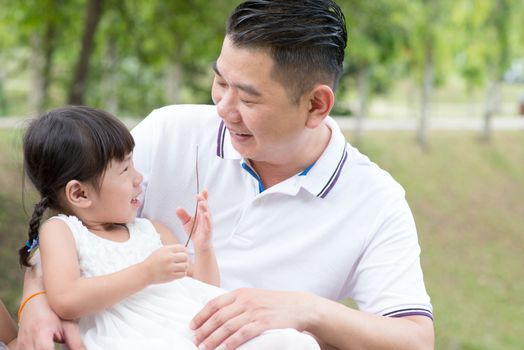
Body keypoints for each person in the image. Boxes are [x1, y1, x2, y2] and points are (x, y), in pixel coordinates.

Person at [18, 1, 434, 349]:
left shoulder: (375, 199)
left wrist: (305, 309)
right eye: (220, 82)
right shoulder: (170, 133)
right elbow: (70, 220)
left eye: (248, 98)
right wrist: (34, 297)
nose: (222, 107)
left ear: (316, 105)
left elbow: (415, 339)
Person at [17, 106, 319, 349]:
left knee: (290, 342)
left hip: (190, 329)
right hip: (131, 339)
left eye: (134, 164)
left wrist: (203, 248)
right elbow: (67, 300)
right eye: (124, 170)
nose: (139, 178)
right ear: (79, 194)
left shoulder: (153, 230)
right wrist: (146, 273)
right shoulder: (63, 232)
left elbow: (203, 290)